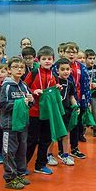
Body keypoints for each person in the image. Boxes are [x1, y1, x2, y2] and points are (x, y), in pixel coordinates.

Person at [0, 57, 33, 190]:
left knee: (21, 151)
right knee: (9, 152)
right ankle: (10, 178)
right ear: (9, 70)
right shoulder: (6, 86)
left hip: (22, 124)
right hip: (10, 125)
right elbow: (2, 105)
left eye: (21, 67)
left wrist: (30, 100)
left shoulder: (24, 85)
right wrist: (19, 102)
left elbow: (30, 104)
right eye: (15, 67)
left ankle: (18, 174)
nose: (19, 69)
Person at [24, 46, 57, 175]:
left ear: (53, 60)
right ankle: (22, 165)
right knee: (32, 140)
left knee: (46, 139)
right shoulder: (33, 73)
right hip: (34, 112)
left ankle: (40, 165)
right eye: (44, 59)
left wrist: (57, 89)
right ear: (39, 60)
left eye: (49, 59)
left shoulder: (53, 76)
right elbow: (24, 88)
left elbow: (52, 92)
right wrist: (33, 91)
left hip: (47, 113)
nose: (47, 61)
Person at [63, 42, 90, 156]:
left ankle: (74, 148)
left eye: (74, 52)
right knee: (64, 127)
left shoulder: (81, 67)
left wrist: (86, 101)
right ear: (63, 53)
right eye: (68, 52)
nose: (71, 54)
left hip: (77, 101)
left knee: (76, 125)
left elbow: (85, 85)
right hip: (64, 102)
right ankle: (62, 151)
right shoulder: (59, 66)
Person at [55, 58, 78, 166]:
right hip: (56, 112)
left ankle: (65, 155)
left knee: (66, 134)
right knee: (53, 134)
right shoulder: (54, 81)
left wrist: (75, 105)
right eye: (62, 69)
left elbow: (72, 96)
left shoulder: (70, 83)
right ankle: (49, 155)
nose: (66, 71)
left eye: (68, 69)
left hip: (67, 112)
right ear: (57, 70)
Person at [84, 49, 96, 137]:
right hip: (86, 95)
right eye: (90, 58)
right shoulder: (83, 69)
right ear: (85, 59)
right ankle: (82, 130)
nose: (92, 60)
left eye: (93, 58)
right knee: (84, 112)